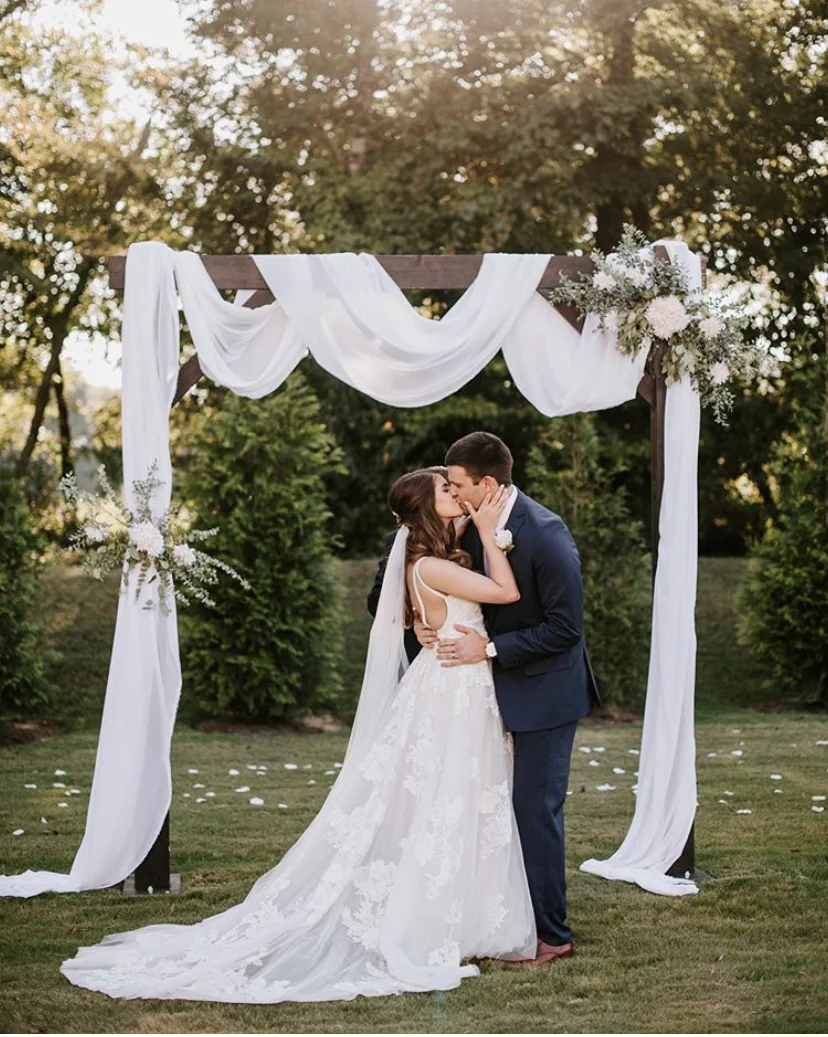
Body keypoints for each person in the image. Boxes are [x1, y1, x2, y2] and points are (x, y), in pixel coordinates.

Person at [60, 469, 536, 1003]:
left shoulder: (430, 560)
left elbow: (421, 608)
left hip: (454, 683)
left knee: (455, 799)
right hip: (453, 690)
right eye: (445, 489)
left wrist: (428, 616)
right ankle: (435, 918)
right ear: (426, 508)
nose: (455, 491)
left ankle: (461, 915)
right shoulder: (430, 564)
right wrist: (492, 533)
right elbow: (506, 591)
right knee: (449, 798)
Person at [417, 431, 600, 966]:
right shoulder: (469, 525)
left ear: (487, 483)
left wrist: (491, 649)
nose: (452, 492)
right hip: (487, 695)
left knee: (534, 812)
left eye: (457, 484)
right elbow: (423, 572)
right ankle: (506, 918)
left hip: (545, 693)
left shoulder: (545, 534)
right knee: (493, 809)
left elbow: (565, 629)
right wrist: (422, 622)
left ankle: (553, 935)